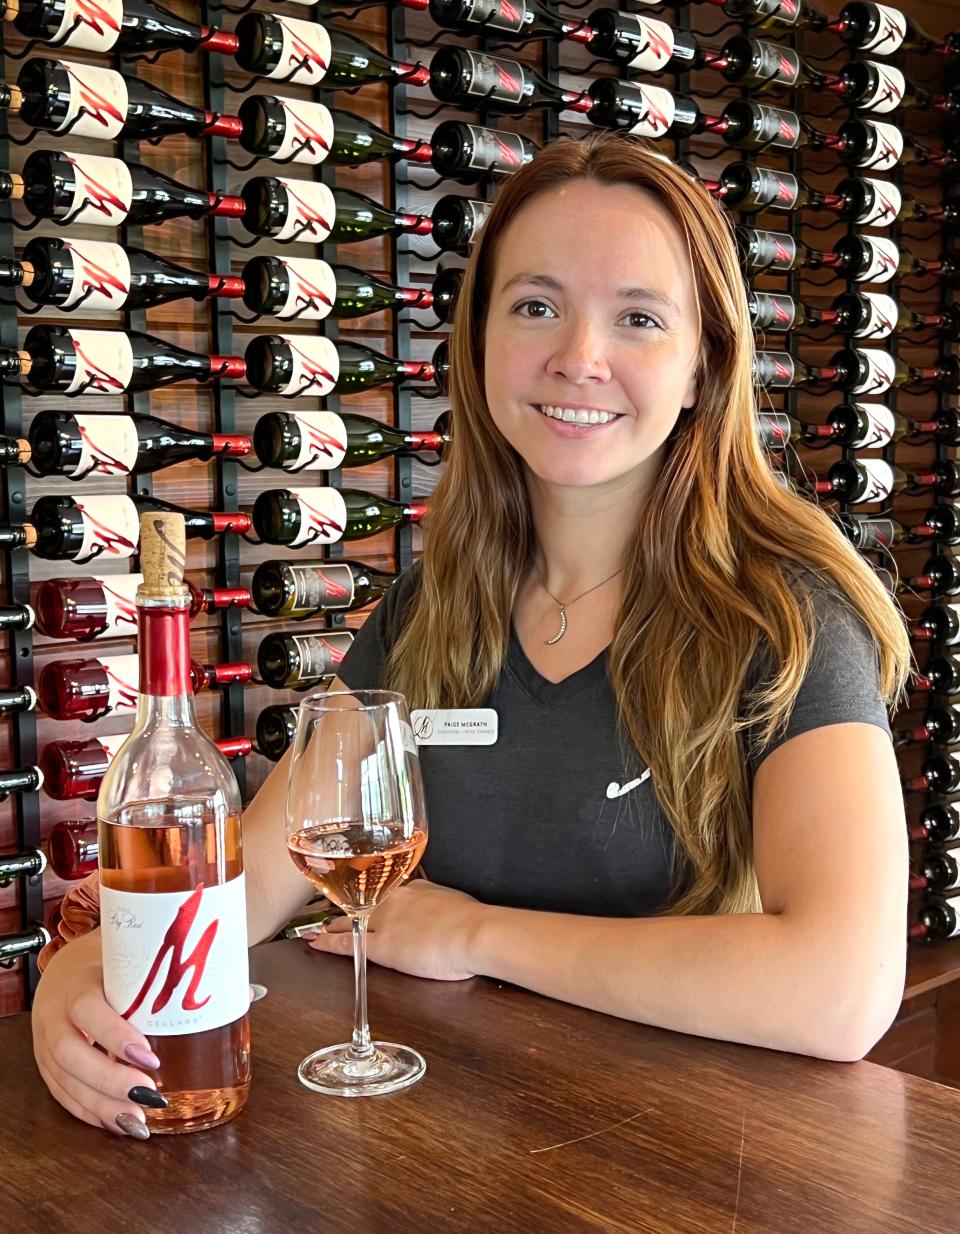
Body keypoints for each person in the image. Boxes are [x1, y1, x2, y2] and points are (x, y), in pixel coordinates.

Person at [31, 131, 912, 1138]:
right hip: (453, 1147)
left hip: (685, 1160)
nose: (580, 357)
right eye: (536, 305)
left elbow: (841, 988)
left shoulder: (787, 618)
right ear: (481, 344)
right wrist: (74, 979)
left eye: (637, 317)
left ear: (704, 367)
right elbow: (245, 898)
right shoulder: (424, 612)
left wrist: (479, 935)